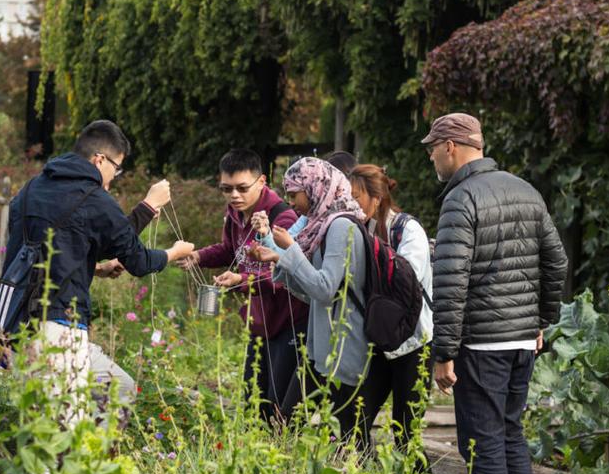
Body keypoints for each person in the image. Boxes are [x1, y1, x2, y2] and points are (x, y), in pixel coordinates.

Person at [426, 112, 568, 474]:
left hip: (482, 342)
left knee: (483, 440)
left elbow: (451, 282)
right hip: (522, 340)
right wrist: (540, 321)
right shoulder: (526, 190)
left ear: (451, 146)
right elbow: (556, 262)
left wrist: (443, 352)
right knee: (510, 433)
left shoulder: (460, 199)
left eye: (433, 148)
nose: (431, 157)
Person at [2, 120, 194, 422]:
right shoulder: (93, 198)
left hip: (17, 324)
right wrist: (173, 252)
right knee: (59, 434)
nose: (114, 178)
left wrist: (96, 267)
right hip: (58, 330)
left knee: (118, 387)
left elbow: (65, 243)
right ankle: (81, 465)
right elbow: (139, 260)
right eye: (116, 169)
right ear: (100, 160)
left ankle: (97, 463)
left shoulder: (31, 190)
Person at [252, 157, 378, 449]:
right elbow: (312, 293)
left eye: (295, 193)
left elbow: (324, 289)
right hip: (322, 348)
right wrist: (282, 261)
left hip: (345, 348)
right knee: (288, 421)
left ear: (314, 188)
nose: (291, 201)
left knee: (349, 435)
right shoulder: (322, 224)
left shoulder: (341, 227)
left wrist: (291, 251)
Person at [179, 149, 309, 421]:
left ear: (262, 181)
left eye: (241, 188)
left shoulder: (282, 218)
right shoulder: (236, 213)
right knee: (252, 397)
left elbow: (287, 274)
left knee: (279, 403)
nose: (234, 195)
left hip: (289, 321)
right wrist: (198, 256)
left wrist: (242, 280)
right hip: (259, 320)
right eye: (226, 189)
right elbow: (230, 250)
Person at [347, 164, 433, 446]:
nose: (351, 203)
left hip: (413, 342)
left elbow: (407, 281)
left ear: (376, 196)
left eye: (356, 196)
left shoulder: (407, 229)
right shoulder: (357, 229)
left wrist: (374, 250)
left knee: (406, 431)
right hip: (377, 340)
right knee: (354, 421)